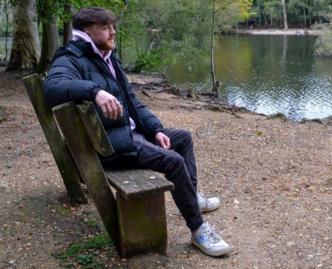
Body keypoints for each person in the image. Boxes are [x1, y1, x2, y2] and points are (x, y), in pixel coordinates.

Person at [43, 7, 232, 257]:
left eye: (113, 26)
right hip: (110, 146)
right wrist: (94, 90)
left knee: (182, 138)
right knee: (173, 161)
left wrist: (155, 129)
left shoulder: (107, 58)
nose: (113, 32)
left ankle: (191, 198)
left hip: (127, 134)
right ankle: (198, 230)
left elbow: (133, 103)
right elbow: (52, 88)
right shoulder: (71, 58)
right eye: (105, 27)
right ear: (86, 31)